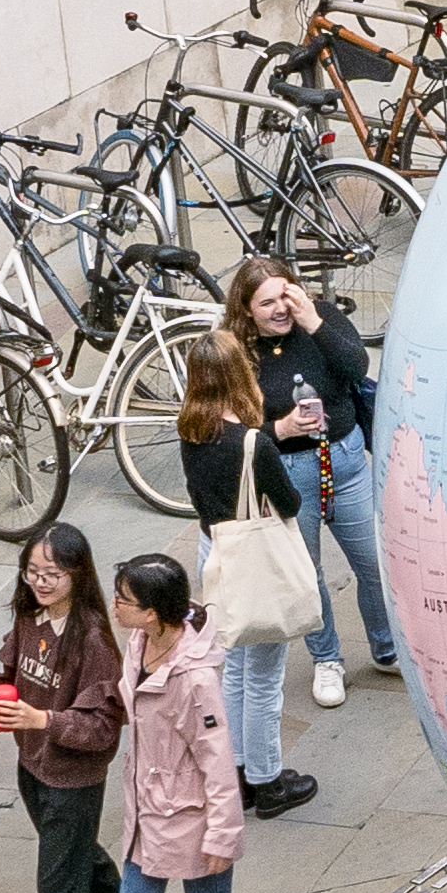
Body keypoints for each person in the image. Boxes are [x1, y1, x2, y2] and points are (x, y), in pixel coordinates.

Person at [0, 520, 163, 893]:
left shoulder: (93, 640)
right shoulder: (28, 616)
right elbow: (7, 674)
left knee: (58, 887)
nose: (40, 582)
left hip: (73, 782)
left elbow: (104, 730)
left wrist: (44, 719)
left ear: (76, 574)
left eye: (52, 574)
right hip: (32, 769)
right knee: (82, 860)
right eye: (33, 571)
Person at [110, 551, 272, 893]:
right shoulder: (140, 642)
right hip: (148, 808)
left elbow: (217, 759)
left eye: (124, 600)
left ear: (154, 612)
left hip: (194, 816)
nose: (115, 606)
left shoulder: (195, 679)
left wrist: (223, 835)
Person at [228, 259, 405, 705]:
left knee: (372, 564)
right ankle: (327, 659)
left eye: (286, 295)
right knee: (309, 574)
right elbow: (228, 431)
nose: (280, 309)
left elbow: (354, 364)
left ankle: (386, 648)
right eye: (266, 303)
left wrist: (313, 319)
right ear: (247, 310)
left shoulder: (320, 314)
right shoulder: (237, 353)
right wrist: (280, 430)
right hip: (288, 473)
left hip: (344, 463)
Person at [171, 335, 313, 819]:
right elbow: (290, 504)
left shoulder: (190, 432)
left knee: (231, 669)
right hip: (257, 562)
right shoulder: (253, 444)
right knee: (265, 677)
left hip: (216, 552)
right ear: (238, 377)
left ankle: (233, 771)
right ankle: (268, 778)